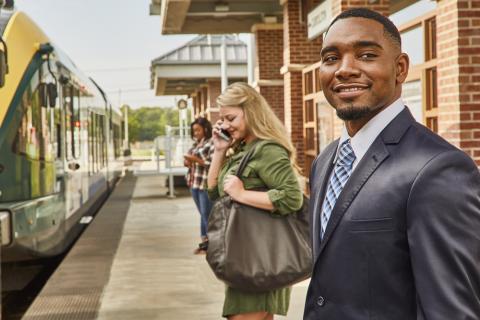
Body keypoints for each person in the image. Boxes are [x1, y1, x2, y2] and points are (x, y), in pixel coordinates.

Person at [304, 7, 480, 319]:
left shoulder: (437, 169)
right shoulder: (324, 162)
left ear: (400, 68)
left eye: (366, 55)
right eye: (331, 58)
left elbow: (451, 310)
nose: (344, 69)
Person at [207, 82, 303, 320]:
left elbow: (292, 198)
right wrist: (219, 151)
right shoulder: (241, 149)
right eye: (223, 119)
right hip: (246, 257)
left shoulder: (267, 150)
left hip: (262, 259)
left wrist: (242, 194)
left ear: (251, 112)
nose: (226, 125)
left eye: (231, 118)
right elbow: (213, 193)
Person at [184, 117, 214, 254]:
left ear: (206, 129)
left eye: (198, 130)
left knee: (206, 214)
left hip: (204, 184)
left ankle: (208, 244)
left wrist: (195, 159)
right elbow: (192, 163)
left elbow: (213, 165)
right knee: (203, 214)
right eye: (193, 130)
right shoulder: (197, 144)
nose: (195, 133)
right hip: (194, 183)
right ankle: (205, 243)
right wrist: (188, 162)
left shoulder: (212, 142)